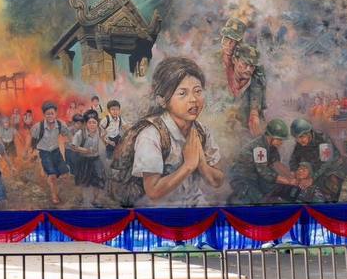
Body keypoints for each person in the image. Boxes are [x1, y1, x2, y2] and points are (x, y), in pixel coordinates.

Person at [129, 56, 223, 206]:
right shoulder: (151, 135)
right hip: (162, 211)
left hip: (197, 206)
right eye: (182, 93)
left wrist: (202, 164)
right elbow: (153, 191)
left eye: (197, 91)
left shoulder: (202, 131)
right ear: (162, 100)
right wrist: (188, 166)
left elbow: (217, 181)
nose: (193, 99)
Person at [228, 118, 298, 204]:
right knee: (260, 201)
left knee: (278, 190)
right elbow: (264, 172)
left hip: (256, 176)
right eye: (279, 139)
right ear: (270, 136)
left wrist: (292, 177)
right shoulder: (259, 147)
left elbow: (277, 165)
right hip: (242, 178)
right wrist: (288, 181)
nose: (281, 143)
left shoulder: (272, 147)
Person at [288, 117, 343, 202]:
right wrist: (293, 171)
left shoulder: (323, 140)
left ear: (309, 133)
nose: (299, 140)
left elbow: (326, 164)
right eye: (296, 138)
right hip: (315, 167)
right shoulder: (300, 142)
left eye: (302, 137)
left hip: (331, 169)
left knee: (330, 188)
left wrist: (312, 179)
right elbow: (294, 159)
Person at [31, 101, 70, 204]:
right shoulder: (38, 127)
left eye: (52, 113)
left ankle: (50, 179)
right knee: (52, 176)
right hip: (44, 152)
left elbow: (67, 135)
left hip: (56, 151)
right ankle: (54, 196)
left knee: (65, 174)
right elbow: (32, 138)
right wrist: (32, 150)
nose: (50, 116)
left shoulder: (60, 124)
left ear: (55, 113)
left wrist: (71, 143)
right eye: (47, 114)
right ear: (44, 114)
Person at [68, 111, 106, 207]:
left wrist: (105, 140)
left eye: (94, 122)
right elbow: (73, 146)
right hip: (83, 160)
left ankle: (96, 199)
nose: (92, 125)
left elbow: (104, 137)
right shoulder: (80, 133)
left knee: (99, 179)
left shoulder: (100, 130)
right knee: (82, 180)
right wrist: (86, 150)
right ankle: (80, 198)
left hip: (96, 159)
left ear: (97, 123)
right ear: (86, 123)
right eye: (90, 122)